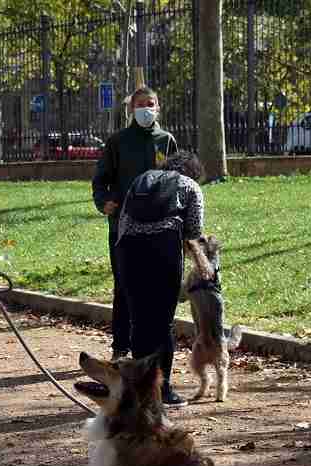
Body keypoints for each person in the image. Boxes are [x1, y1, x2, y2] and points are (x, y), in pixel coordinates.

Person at [114, 150, 213, 408]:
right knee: (162, 324)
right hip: (163, 252)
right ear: (194, 172)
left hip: (128, 251)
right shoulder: (190, 186)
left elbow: (124, 221)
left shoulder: (142, 179)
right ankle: (163, 389)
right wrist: (201, 263)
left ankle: (139, 389)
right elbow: (193, 232)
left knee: (139, 321)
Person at [92, 86, 178, 362]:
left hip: (158, 228)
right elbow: (100, 180)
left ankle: (151, 347)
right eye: (140, 104)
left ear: (158, 107)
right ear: (131, 109)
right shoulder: (118, 141)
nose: (145, 109)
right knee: (125, 285)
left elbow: (177, 179)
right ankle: (121, 345)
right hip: (123, 228)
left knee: (155, 287)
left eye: (150, 104)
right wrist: (104, 202)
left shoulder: (166, 141)